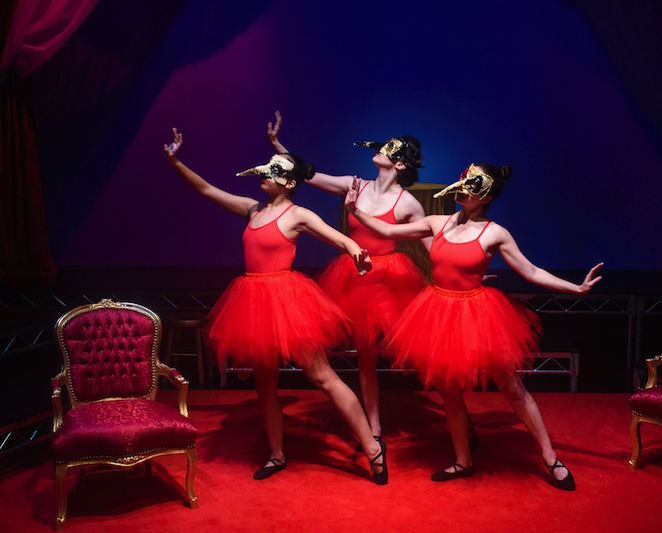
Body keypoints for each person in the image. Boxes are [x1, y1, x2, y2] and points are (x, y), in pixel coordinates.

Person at [345, 163, 603, 489]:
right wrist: (355, 209)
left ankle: (550, 457)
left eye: (473, 184)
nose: (463, 188)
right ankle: (462, 460)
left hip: (478, 315)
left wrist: (575, 288)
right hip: (439, 311)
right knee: (449, 391)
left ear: (486, 197)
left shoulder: (495, 233)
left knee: (512, 388)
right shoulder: (439, 223)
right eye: (464, 181)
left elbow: (531, 271)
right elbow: (386, 231)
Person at [163, 128, 387, 484]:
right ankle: (276, 454)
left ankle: (372, 448)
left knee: (322, 376)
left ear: (288, 183)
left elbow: (336, 235)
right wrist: (175, 161)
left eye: (272, 171)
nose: (264, 175)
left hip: (287, 302)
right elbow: (207, 190)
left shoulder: (298, 215)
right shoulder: (253, 210)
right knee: (264, 384)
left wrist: (356, 251)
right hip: (253, 302)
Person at [268, 112, 428, 445]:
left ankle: (457, 415)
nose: (380, 150)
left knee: (421, 350)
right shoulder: (355, 185)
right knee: (366, 354)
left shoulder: (409, 203)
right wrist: (278, 145)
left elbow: (432, 245)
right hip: (357, 275)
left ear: (399, 164)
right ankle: (373, 426)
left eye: (388, 149)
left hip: (391, 281)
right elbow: (308, 175)